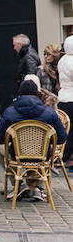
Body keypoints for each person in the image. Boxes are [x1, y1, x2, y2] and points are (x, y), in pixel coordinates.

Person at [0, 79, 67, 202]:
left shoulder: (10, 112)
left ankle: (18, 183)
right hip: (42, 156)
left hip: (17, 155)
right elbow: (62, 138)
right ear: (37, 95)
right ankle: (38, 187)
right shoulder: (49, 113)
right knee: (46, 150)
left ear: (20, 94)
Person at [57, 35, 73, 165]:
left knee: (66, 128)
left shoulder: (62, 60)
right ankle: (67, 156)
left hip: (63, 97)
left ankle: (64, 154)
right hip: (72, 98)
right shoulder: (71, 61)